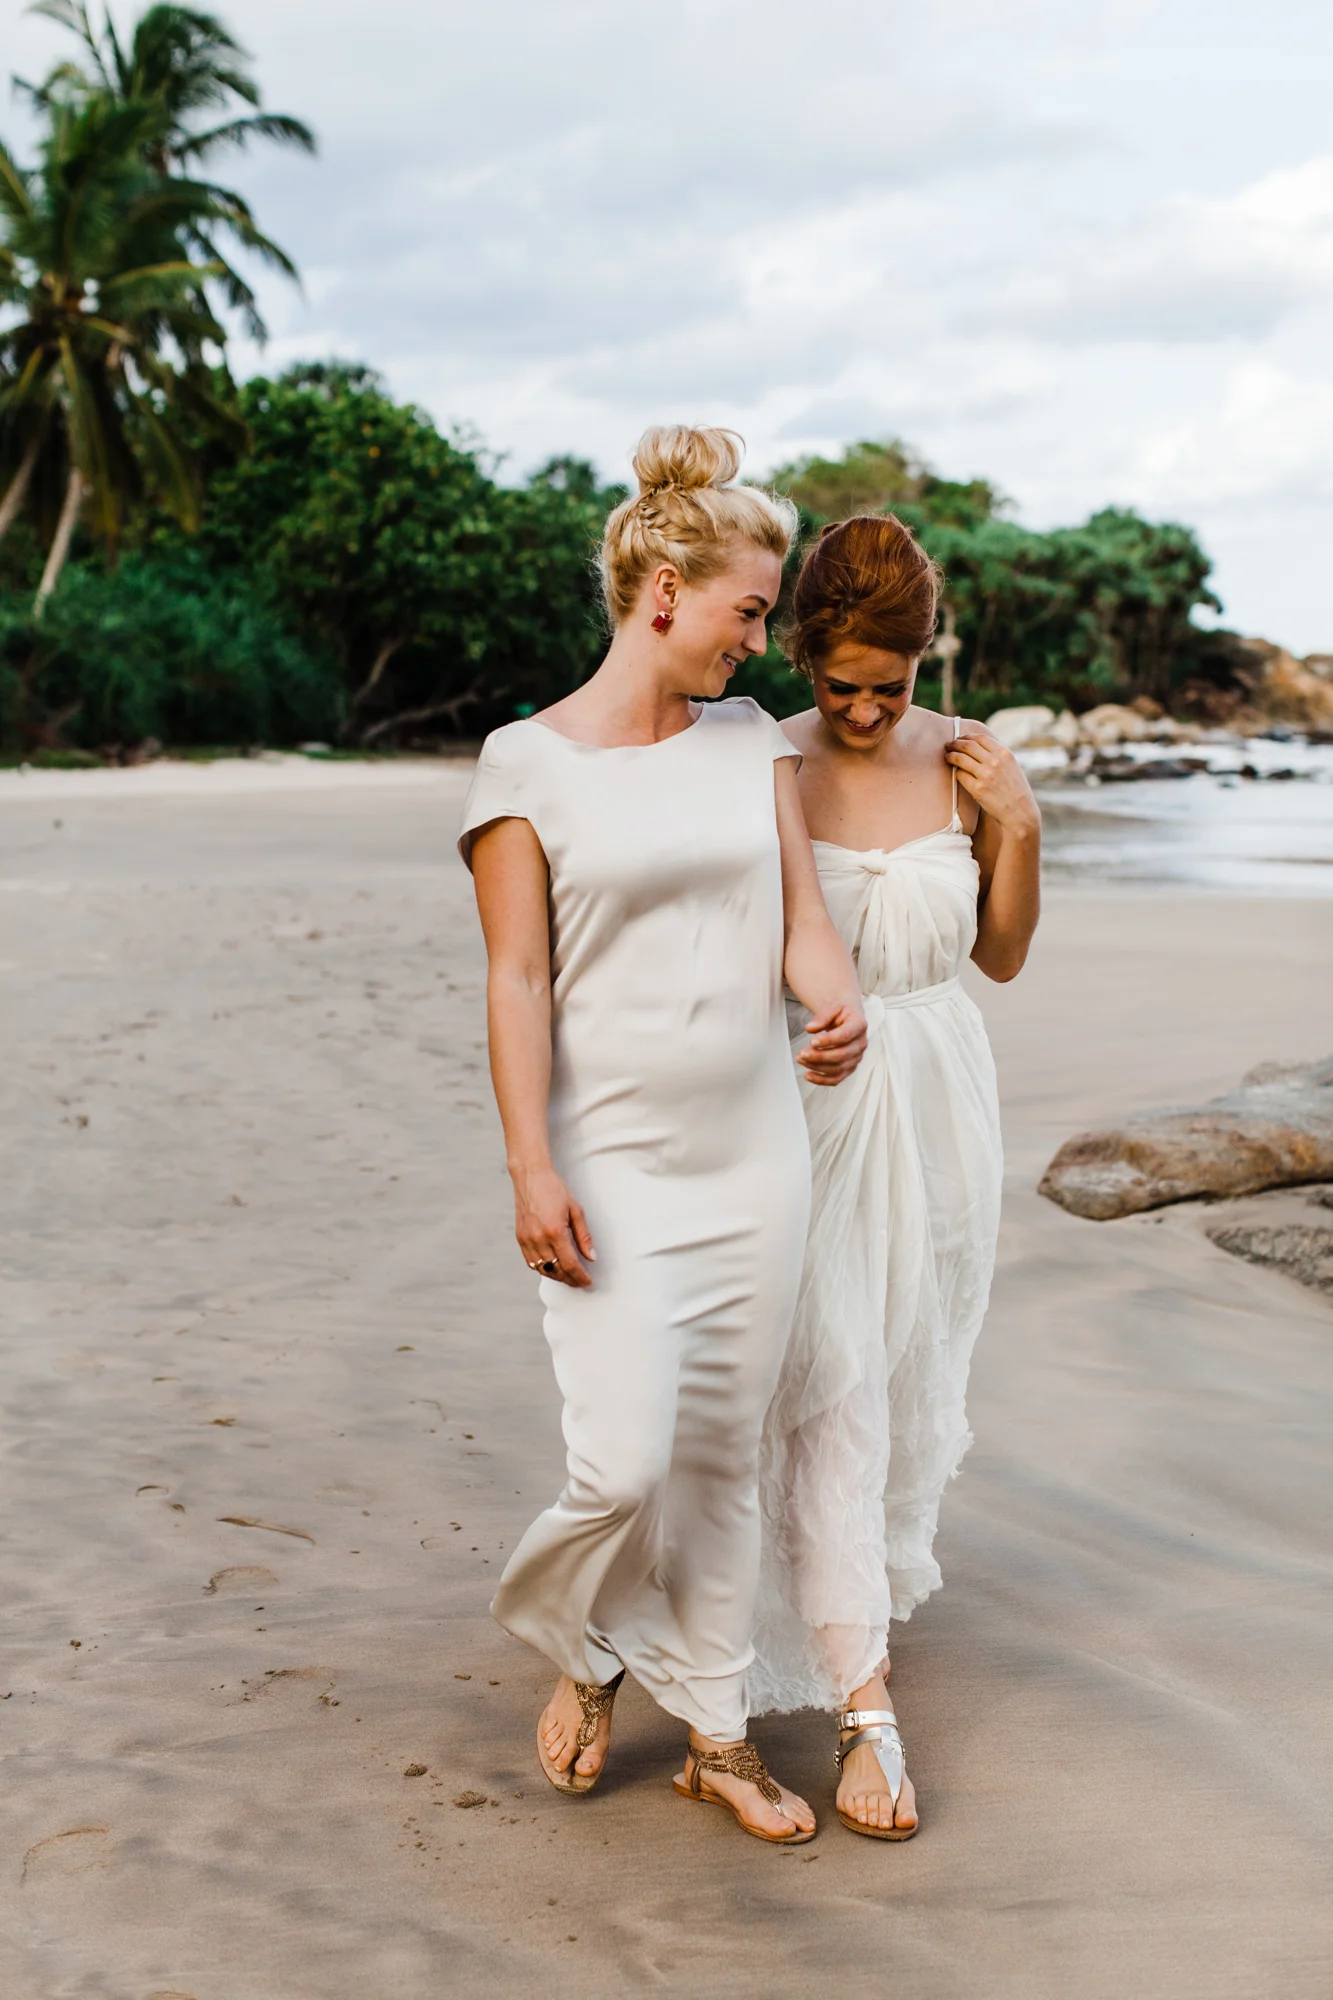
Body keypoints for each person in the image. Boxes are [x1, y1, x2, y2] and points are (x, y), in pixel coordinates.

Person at [459, 426, 868, 1845]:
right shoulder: (524, 766)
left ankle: (717, 1734)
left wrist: (840, 1005)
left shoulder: (750, 744)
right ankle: (580, 1648)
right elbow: (515, 981)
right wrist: (530, 1165)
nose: (758, 646)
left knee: (716, 1462)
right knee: (620, 1465)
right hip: (609, 1166)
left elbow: (804, 924)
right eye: (750, 612)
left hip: (754, 1155)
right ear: (665, 597)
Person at [751, 512, 1041, 1839]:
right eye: (839, 685)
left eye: (893, 684)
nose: (865, 711)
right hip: (808, 1094)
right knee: (814, 1372)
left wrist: (1018, 825)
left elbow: (1003, 959)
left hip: (940, 1095)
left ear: (928, 659)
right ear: (803, 653)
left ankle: (849, 1626)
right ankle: (853, 1696)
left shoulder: (968, 759)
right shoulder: (763, 763)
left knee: (909, 1361)